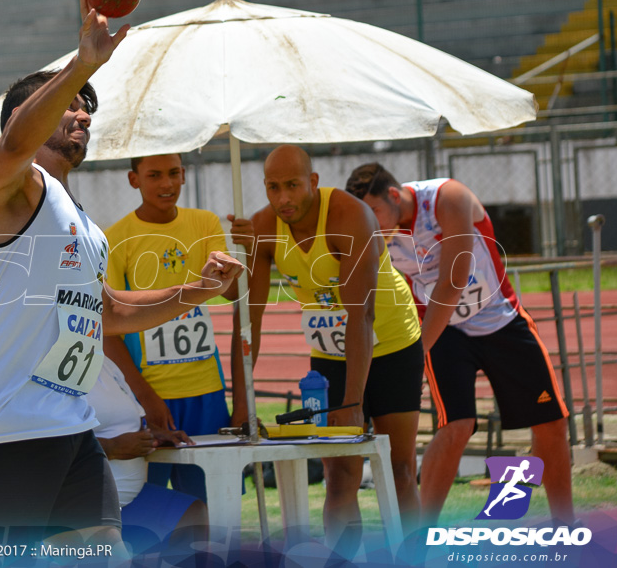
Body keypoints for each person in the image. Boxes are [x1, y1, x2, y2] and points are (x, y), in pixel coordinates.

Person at [0, 0, 243, 553]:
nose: (82, 114)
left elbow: (111, 311)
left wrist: (200, 289)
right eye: (73, 103)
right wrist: (81, 64)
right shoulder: (10, 186)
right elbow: (17, 140)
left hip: (70, 429)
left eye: (87, 108)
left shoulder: (83, 223)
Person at [345, 163, 574, 526]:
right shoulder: (377, 231)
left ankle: (566, 524)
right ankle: (421, 533)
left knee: (551, 423)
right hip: (446, 332)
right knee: (455, 426)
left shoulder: (445, 198)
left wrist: (414, 355)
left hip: (500, 319)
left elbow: (452, 282)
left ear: (393, 194)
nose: (372, 224)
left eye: (373, 212)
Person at [235, 145, 423, 551]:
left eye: (292, 185)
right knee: (339, 476)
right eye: (273, 187)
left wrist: (354, 401)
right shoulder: (263, 228)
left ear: (313, 182)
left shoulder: (349, 215)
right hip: (331, 356)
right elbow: (250, 323)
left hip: (391, 343)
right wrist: (242, 400)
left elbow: (362, 315)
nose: (283, 197)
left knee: (400, 469)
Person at [103, 153, 246, 504]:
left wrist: (230, 266)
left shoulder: (204, 222)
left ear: (184, 175)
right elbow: (107, 329)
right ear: (134, 179)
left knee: (210, 503)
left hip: (205, 390)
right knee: (145, 503)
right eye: (154, 175)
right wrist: (147, 396)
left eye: (173, 173)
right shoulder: (115, 238)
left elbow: (229, 291)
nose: (166, 184)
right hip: (146, 396)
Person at [86, 355, 205, 553]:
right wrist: (112, 447)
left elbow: (132, 418)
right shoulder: (54, 372)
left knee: (192, 515)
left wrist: (152, 432)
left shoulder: (106, 363)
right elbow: (49, 445)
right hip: (86, 508)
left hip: (129, 502)